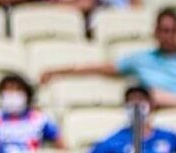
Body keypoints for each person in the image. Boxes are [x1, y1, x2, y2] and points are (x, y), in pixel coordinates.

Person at [41, 7, 176, 108]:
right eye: (165, 31)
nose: (169, 36)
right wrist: (57, 71)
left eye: (174, 31)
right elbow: (98, 68)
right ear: (155, 32)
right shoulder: (140, 60)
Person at [73, 85, 176, 153]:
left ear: (151, 105)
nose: (136, 105)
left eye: (141, 100)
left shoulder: (167, 137)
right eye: (131, 101)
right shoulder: (116, 140)